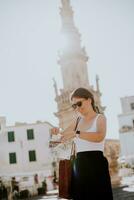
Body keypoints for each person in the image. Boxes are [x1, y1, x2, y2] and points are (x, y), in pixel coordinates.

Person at [51, 87, 113, 200]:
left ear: (89, 100)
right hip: (79, 166)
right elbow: (62, 137)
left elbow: (99, 137)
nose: (77, 108)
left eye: (79, 103)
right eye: (74, 106)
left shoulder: (100, 118)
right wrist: (56, 132)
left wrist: (77, 133)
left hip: (96, 164)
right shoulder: (77, 121)